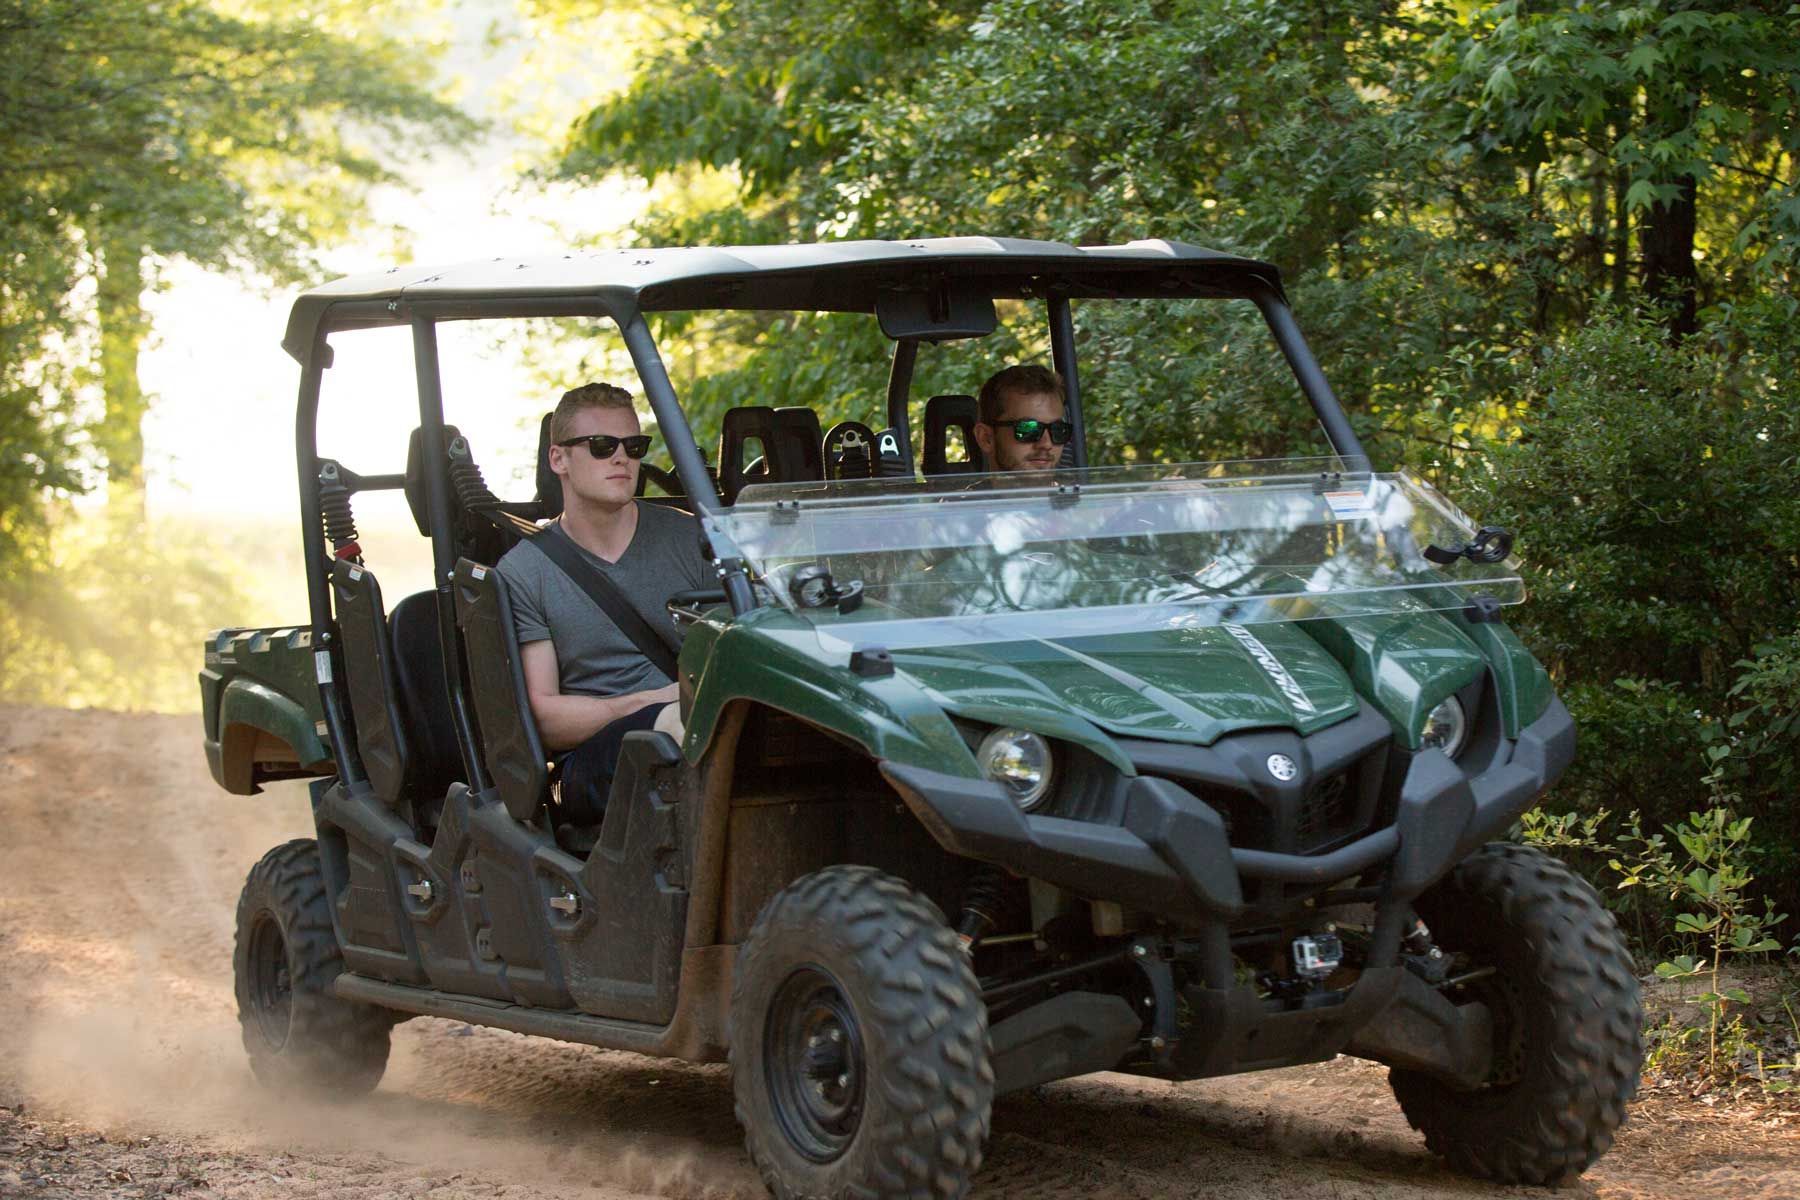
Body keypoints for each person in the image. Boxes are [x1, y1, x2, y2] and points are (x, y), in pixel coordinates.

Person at [496, 382, 711, 827]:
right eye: (600, 446)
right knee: (679, 725)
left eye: (633, 446)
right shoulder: (524, 572)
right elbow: (545, 719)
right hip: (589, 761)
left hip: (705, 716)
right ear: (559, 459)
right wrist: (660, 700)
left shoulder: (692, 539)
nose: (621, 458)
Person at [972, 363, 1074, 473]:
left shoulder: (1087, 490)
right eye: (1028, 429)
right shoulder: (961, 491)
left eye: (1057, 430)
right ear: (986, 438)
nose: (1046, 444)